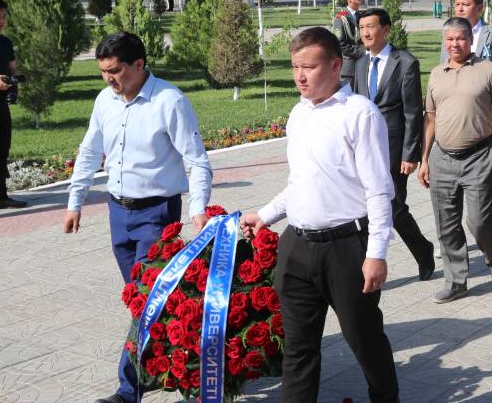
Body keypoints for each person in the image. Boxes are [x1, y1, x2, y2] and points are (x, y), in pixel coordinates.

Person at [240, 27, 399, 403]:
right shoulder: (298, 114)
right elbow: (300, 183)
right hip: (297, 248)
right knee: (298, 349)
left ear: (335, 66)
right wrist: (265, 215)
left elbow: (379, 191)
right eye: (295, 67)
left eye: (309, 67)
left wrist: (376, 253)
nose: (300, 76)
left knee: (364, 340)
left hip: (347, 249)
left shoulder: (359, 114)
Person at [62, 32, 213, 403]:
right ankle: (173, 364)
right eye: (103, 72)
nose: (108, 79)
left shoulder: (169, 101)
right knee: (144, 302)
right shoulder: (105, 101)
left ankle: (128, 390)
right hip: (118, 213)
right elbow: (89, 151)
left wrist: (198, 210)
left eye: (115, 71)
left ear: (139, 65)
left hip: (157, 215)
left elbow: (196, 161)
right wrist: (74, 200)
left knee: (147, 300)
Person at [419, 17, 492, 303]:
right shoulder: (437, 73)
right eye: (450, 39)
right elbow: (430, 119)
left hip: (479, 156)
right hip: (442, 158)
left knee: (479, 221)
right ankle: (456, 281)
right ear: (444, 42)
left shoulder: (488, 69)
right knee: (446, 224)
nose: (455, 44)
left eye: (460, 38)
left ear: (471, 40)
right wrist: (424, 159)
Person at [354, 8, 435, 281]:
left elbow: (412, 112)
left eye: (370, 26)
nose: (365, 32)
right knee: (364, 208)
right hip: (364, 149)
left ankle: (423, 251)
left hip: (394, 150)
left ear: (386, 29)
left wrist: (410, 154)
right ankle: (363, 265)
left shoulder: (405, 63)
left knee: (395, 207)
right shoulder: (360, 63)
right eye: (361, 27)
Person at [440, 0, 492, 240]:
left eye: (466, 4)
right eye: (457, 4)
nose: (460, 8)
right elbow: (443, 72)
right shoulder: (450, 33)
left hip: (490, 118)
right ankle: (455, 233)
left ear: (480, 7)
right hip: (460, 119)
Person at [0, 0, 24, 209]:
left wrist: (14, 84)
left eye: (4, 16)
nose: (2, 21)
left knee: (0, 149)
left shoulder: (5, 42)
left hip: (0, 105)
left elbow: (12, 68)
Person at [332, 0, 366, 88]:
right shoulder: (340, 19)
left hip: (364, 67)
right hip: (349, 70)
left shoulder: (363, 16)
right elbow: (340, 45)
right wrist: (363, 51)